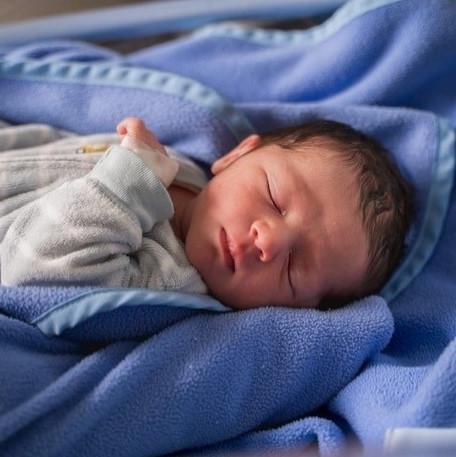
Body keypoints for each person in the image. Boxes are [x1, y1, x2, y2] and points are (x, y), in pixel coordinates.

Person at [0, 117, 413, 310]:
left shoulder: (171, 283)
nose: (268, 240)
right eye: (273, 196)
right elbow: (54, 144)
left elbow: (33, 274)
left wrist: (128, 184)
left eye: (295, 267)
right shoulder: (179, 164)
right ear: (236, 155)